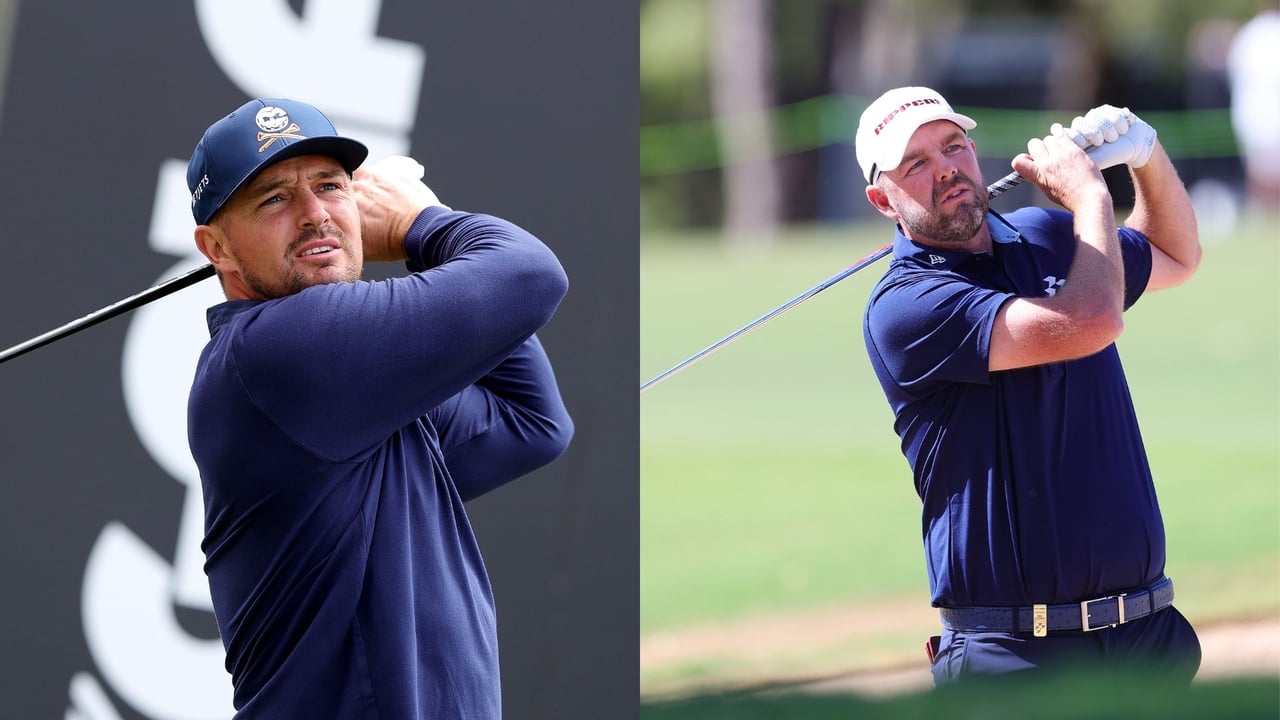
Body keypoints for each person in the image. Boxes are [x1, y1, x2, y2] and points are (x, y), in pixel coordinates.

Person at [184, 97, 574, 718]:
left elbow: (532, 425)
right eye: (275, 199)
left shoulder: (354, 388)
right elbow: (529, 276)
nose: (316, 215)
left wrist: (426, 247)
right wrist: (425, 223)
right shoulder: (280, 350)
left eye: (331, 187)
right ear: (219, 249)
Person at [855, 87, 1203, 685]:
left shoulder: (1044, 234)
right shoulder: (905, 307)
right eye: (915, 164)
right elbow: (1092, 320)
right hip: (1016, 658)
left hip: (1147, 639)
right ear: (882, 199)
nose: (946, 170)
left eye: (953, 146)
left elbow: (1175, 253)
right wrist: (1091, 193)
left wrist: (1146, 158)